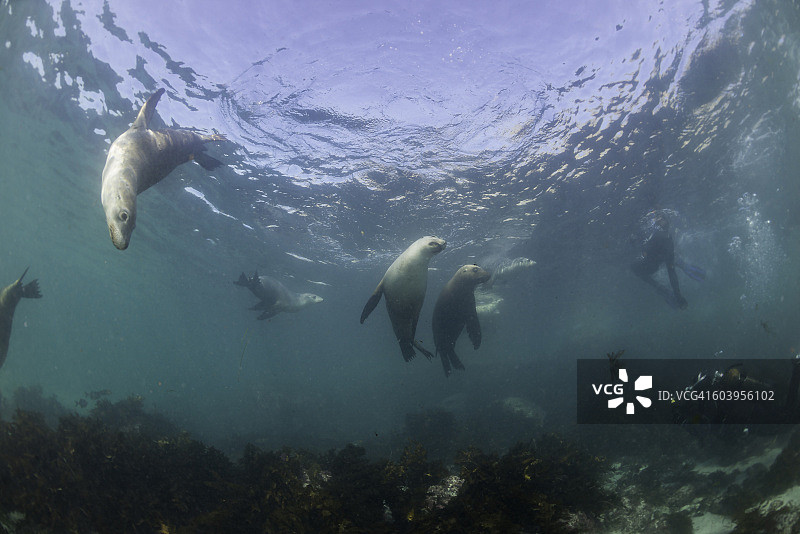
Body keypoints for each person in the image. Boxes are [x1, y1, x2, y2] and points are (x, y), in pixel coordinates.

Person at [630, 211, 703, 309]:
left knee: (637, 268)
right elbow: (671, 271)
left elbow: (670, 271)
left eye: (661, 219)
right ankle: (681, 265)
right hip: (658, 259)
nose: (659, 220)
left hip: (652, 263)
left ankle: (661, 286)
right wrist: (678, 295)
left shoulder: (660, 238)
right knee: (668, 260)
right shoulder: (666, 239)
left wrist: (677, 295)